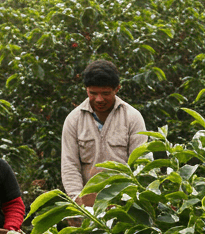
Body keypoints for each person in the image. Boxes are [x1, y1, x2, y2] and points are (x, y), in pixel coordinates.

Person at [59, 59, 147, 203]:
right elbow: (70, 165)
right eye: (93, 93)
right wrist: (77, 201)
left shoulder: (132, 117)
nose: (99, 99)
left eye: (105, 93)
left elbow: (140, 164)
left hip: (125, 202)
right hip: (87, 203)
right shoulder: (74, 120)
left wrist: (132, 201)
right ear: (86, 89)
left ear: (117, 89)